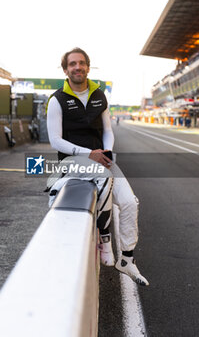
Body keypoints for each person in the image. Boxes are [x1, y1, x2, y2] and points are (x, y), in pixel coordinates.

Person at [47, 47, 149, 286]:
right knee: (103, 182)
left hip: (101, 158)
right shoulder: (57, 99)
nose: (77, 67)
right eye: (72, 64)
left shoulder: (100, 95)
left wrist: (106, 152)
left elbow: (108, 131)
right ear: (66, 70)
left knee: (129, 203)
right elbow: (55, 140)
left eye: (81, 63)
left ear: (87, 67)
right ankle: (104, 240)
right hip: (74, 160)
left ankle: (127, 259)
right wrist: (88, 154)